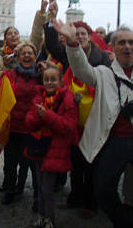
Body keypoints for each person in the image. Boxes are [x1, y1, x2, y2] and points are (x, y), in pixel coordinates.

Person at [53, 22, 133, 228]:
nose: (127, 47)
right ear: (112, 47)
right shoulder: (105, 73)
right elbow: (82, 70)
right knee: (104, 190)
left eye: (131, 43)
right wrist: (72, 42)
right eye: (122, 42)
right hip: (115, 141)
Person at [45, 19, 110, 218]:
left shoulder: (103, 59)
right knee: (75, 163)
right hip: (73, 120)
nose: (80, 37)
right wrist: (50, 22)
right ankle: (75, 197)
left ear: (90, 37)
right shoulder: (67, 55)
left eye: (83, 34)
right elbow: (54, 47)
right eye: (77, 34)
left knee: (91, 164)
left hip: (93, 120)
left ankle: (91, 203)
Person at [25, 64, 78, 228]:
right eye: (46, 79)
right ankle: (42, 217)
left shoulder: (68, 99)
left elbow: (68, 127)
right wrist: (40, 117)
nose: (49, 82)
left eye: (53, 79)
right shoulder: (39, 97)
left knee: (47, 188)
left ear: (61, 81)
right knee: (40, 187)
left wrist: (46, 115)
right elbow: (29, 122)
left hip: (54, 149)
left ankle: (50, 219)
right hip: (38, 147)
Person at [0, 43, 41, 210]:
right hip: (14, 127)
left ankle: (37, 196)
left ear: (35, 57)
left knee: (32, 164)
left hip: (33, 128)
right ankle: (10, 190)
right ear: (18, 57)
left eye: (30, 53)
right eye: (23, 53)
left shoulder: (41, 76)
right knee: (10, 163)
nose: (26, 56)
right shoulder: (9, 74)